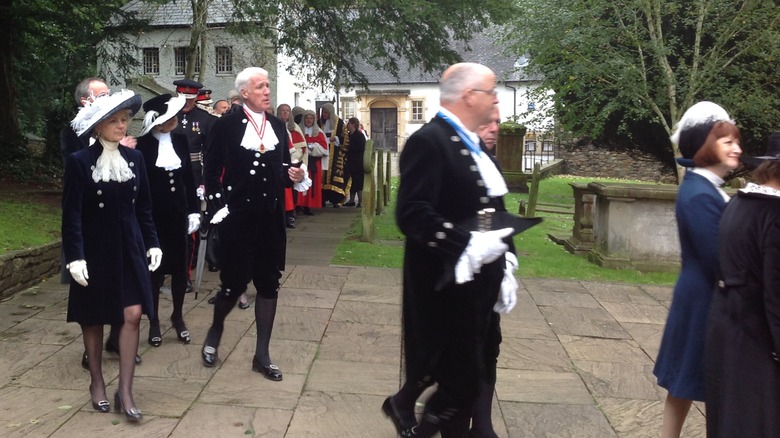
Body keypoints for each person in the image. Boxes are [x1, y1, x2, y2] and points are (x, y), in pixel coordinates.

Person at [382, 62, 518, 437]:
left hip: (476, 290)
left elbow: (487, 209)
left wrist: (505, 256)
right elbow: (412, 213)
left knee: (464, 385)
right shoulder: (430, 139)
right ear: (469, 96)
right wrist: (466, 243)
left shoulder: (470, 141)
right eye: (490, 92)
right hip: (444, 290)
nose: (494, 99)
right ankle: (406, 409)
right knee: (458, 390)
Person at [200, 67, 306, 381]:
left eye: (267, 86)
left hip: (270, 218)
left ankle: (262, 355)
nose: (266, 91)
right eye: (260, 86)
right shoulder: (226, 124)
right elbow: (211, 171)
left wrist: (292, 176)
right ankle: (216, 330)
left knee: (269, 283)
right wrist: (219, 208)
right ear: (244, 92)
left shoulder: (276, 124)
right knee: (233, 285)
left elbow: (280, 168)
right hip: (238, 217)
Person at [64, 89, 161, 421]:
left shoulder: (135, 160)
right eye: (115, 121)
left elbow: (145, 208)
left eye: (125, 120)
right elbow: (71, 214)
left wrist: (153, 243)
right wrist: (75, 256)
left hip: (128, 249)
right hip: (94, 251)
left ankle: (127, 391)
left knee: (132, 314)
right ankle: (97, 382)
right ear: (97, 127)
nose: (122, 126)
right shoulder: (78, 163)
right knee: (93, 318)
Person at [653, 101, 742, 438]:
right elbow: (719, 258)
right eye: (728, 141)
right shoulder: (699, 194)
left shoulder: (705, 187)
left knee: (689, 382)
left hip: (701, 294)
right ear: (706, 146)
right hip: (706, 299)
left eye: (736, 140)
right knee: (704, 383)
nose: (738, 148)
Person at [60, 77, 142, 370]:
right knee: (93, 301)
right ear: (87, 102)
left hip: (121, 230)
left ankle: (118, 341)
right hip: (90, 230)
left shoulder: (131, 154)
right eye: (104, 95)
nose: (110, 99)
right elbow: (73, 199)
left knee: (130, 301)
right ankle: (92, 353)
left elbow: (141, 205)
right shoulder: (73, 134)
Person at [705, 131, 780, 437]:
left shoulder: (740, 203)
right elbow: (776, 293)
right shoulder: (773, 214)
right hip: (755, 340)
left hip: (725, 329)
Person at [136, 94, 201, 347]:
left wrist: (194, 211)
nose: (175, 120)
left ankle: (178, 315)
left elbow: (189, 179)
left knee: (180, 270)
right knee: (155, 272)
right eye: (170, 116)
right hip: (153, 219)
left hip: (179, 215)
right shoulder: (142, 146)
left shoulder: (181, 141)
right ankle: (153, 320)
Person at [298, 109, 327, 215]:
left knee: (312, 185)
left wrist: (313, 147)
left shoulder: (319, 132)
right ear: (304, 119)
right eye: (307, 118)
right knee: (300, 183)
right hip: (301, 162)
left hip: (314, 162)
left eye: (311, 118)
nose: (309, 120)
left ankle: (309, 206)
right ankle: (299, 205)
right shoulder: (298, 131)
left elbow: (324, 149)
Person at [319, 102, 349, 207]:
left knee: (334, 177)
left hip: (335, 154)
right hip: (322, 153)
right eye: (323, 113)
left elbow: (345, 138)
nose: (324, 115)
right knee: (322, 177)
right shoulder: (319, 123)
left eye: (327, 113)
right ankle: (322, 199)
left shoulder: (339, 123)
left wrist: (335, 139)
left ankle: (335, 200)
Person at [343, 117, 366, 207]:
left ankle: (361, 201)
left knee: (359, 182)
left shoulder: (359, 135)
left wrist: (349, 149)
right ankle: (351, 200)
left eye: (348, 123)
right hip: (350, 162)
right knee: (351, 181)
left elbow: (360, 148)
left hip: (358, 162)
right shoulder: (348, 136)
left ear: (353, 124)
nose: (347, 125)